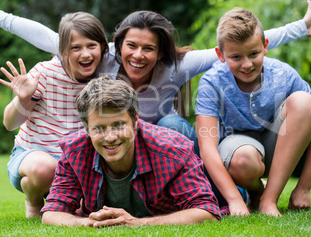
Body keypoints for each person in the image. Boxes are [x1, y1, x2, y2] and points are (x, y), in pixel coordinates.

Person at [0, 0, 311, 150]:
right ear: (119, 45)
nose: (138, 55)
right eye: (132, 46)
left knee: (173, 120)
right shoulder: (104, 55)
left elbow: (240, 47)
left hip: (160, 141)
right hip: (116, 137)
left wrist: (299, 28)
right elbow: (51, 38)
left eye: (149, 49)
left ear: (161, 52)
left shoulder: (178, 65)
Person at [195, 8, 311, 217]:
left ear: (265, 47)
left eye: (254, 54)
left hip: (276, 145)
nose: (247, 64)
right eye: (236, 57)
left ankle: (269, 199)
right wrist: (234, 200)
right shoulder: (211, 81)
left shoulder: (284, 74)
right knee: (243, 161)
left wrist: (304, 187)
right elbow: (207, 148)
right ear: (220, 55)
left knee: (304, 101)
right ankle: (256, 192)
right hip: (237, 150)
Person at [41, 76, 221, 227]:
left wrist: (137, 223)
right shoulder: (75, 151)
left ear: (135, 120)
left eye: (118, 125)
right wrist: (87, 223)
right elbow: (51, 213)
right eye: (99, 128)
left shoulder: (172, 150)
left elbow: (207, 211)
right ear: (87, 129)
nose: (110, 137)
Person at [0, 11, 108, 218]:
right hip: (34, 158)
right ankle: (33, 200)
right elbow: (9, 123)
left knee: (86, 211)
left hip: (77, 164)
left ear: (102, 46)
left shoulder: (105, 77)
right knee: (45, 168)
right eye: (76, 48)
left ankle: (67, 197)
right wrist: (22, 99)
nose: (85, 54)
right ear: (63, 51)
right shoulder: (45, 73)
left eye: (91, 46)